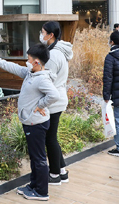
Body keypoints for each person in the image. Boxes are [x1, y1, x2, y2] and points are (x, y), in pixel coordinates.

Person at [0, 44, 59, 201]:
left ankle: (42, 192)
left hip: (36, 123)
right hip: (31, 122)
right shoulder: (31, 73)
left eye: (29, 59)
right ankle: (34, 185)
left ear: (36, 62)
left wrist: (40, 105)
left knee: (39, 158)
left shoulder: (42, 79)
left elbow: (54, 95)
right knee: (34, 156)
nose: (27, 61)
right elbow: (14, 68)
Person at [39, 21, 73, 185]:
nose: (41, 35)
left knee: (49, 139)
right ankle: (62, 171)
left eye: (42, 32)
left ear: (50, 35)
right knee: (52, 137)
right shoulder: (60, 51)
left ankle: (54, 175)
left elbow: (46, 81)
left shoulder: (53, 55)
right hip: (59, 98)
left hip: (53, 101)